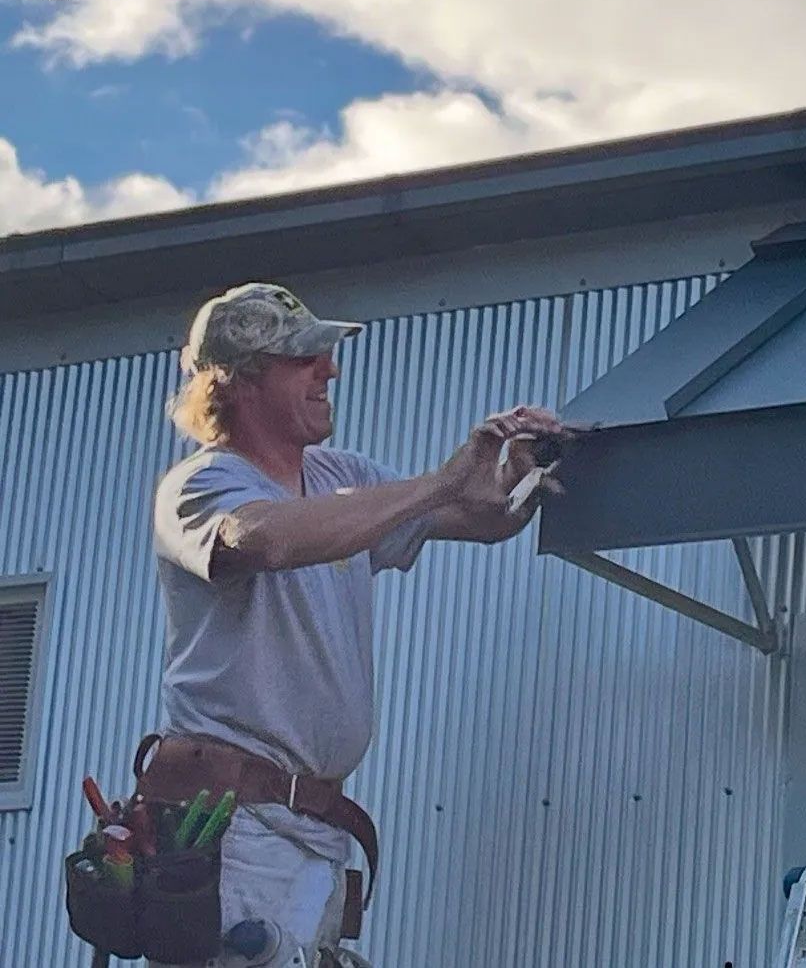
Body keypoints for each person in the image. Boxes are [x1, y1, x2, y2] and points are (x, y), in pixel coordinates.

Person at [139, 282, 567, 967]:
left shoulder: (341, 475)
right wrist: (439, 479)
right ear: (241, 380)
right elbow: (265, 539)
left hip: (310, 829)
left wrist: (513, 474)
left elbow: (477, 517)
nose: (329, 370)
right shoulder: (200, 485)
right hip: (237, 830)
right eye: (304, 358)